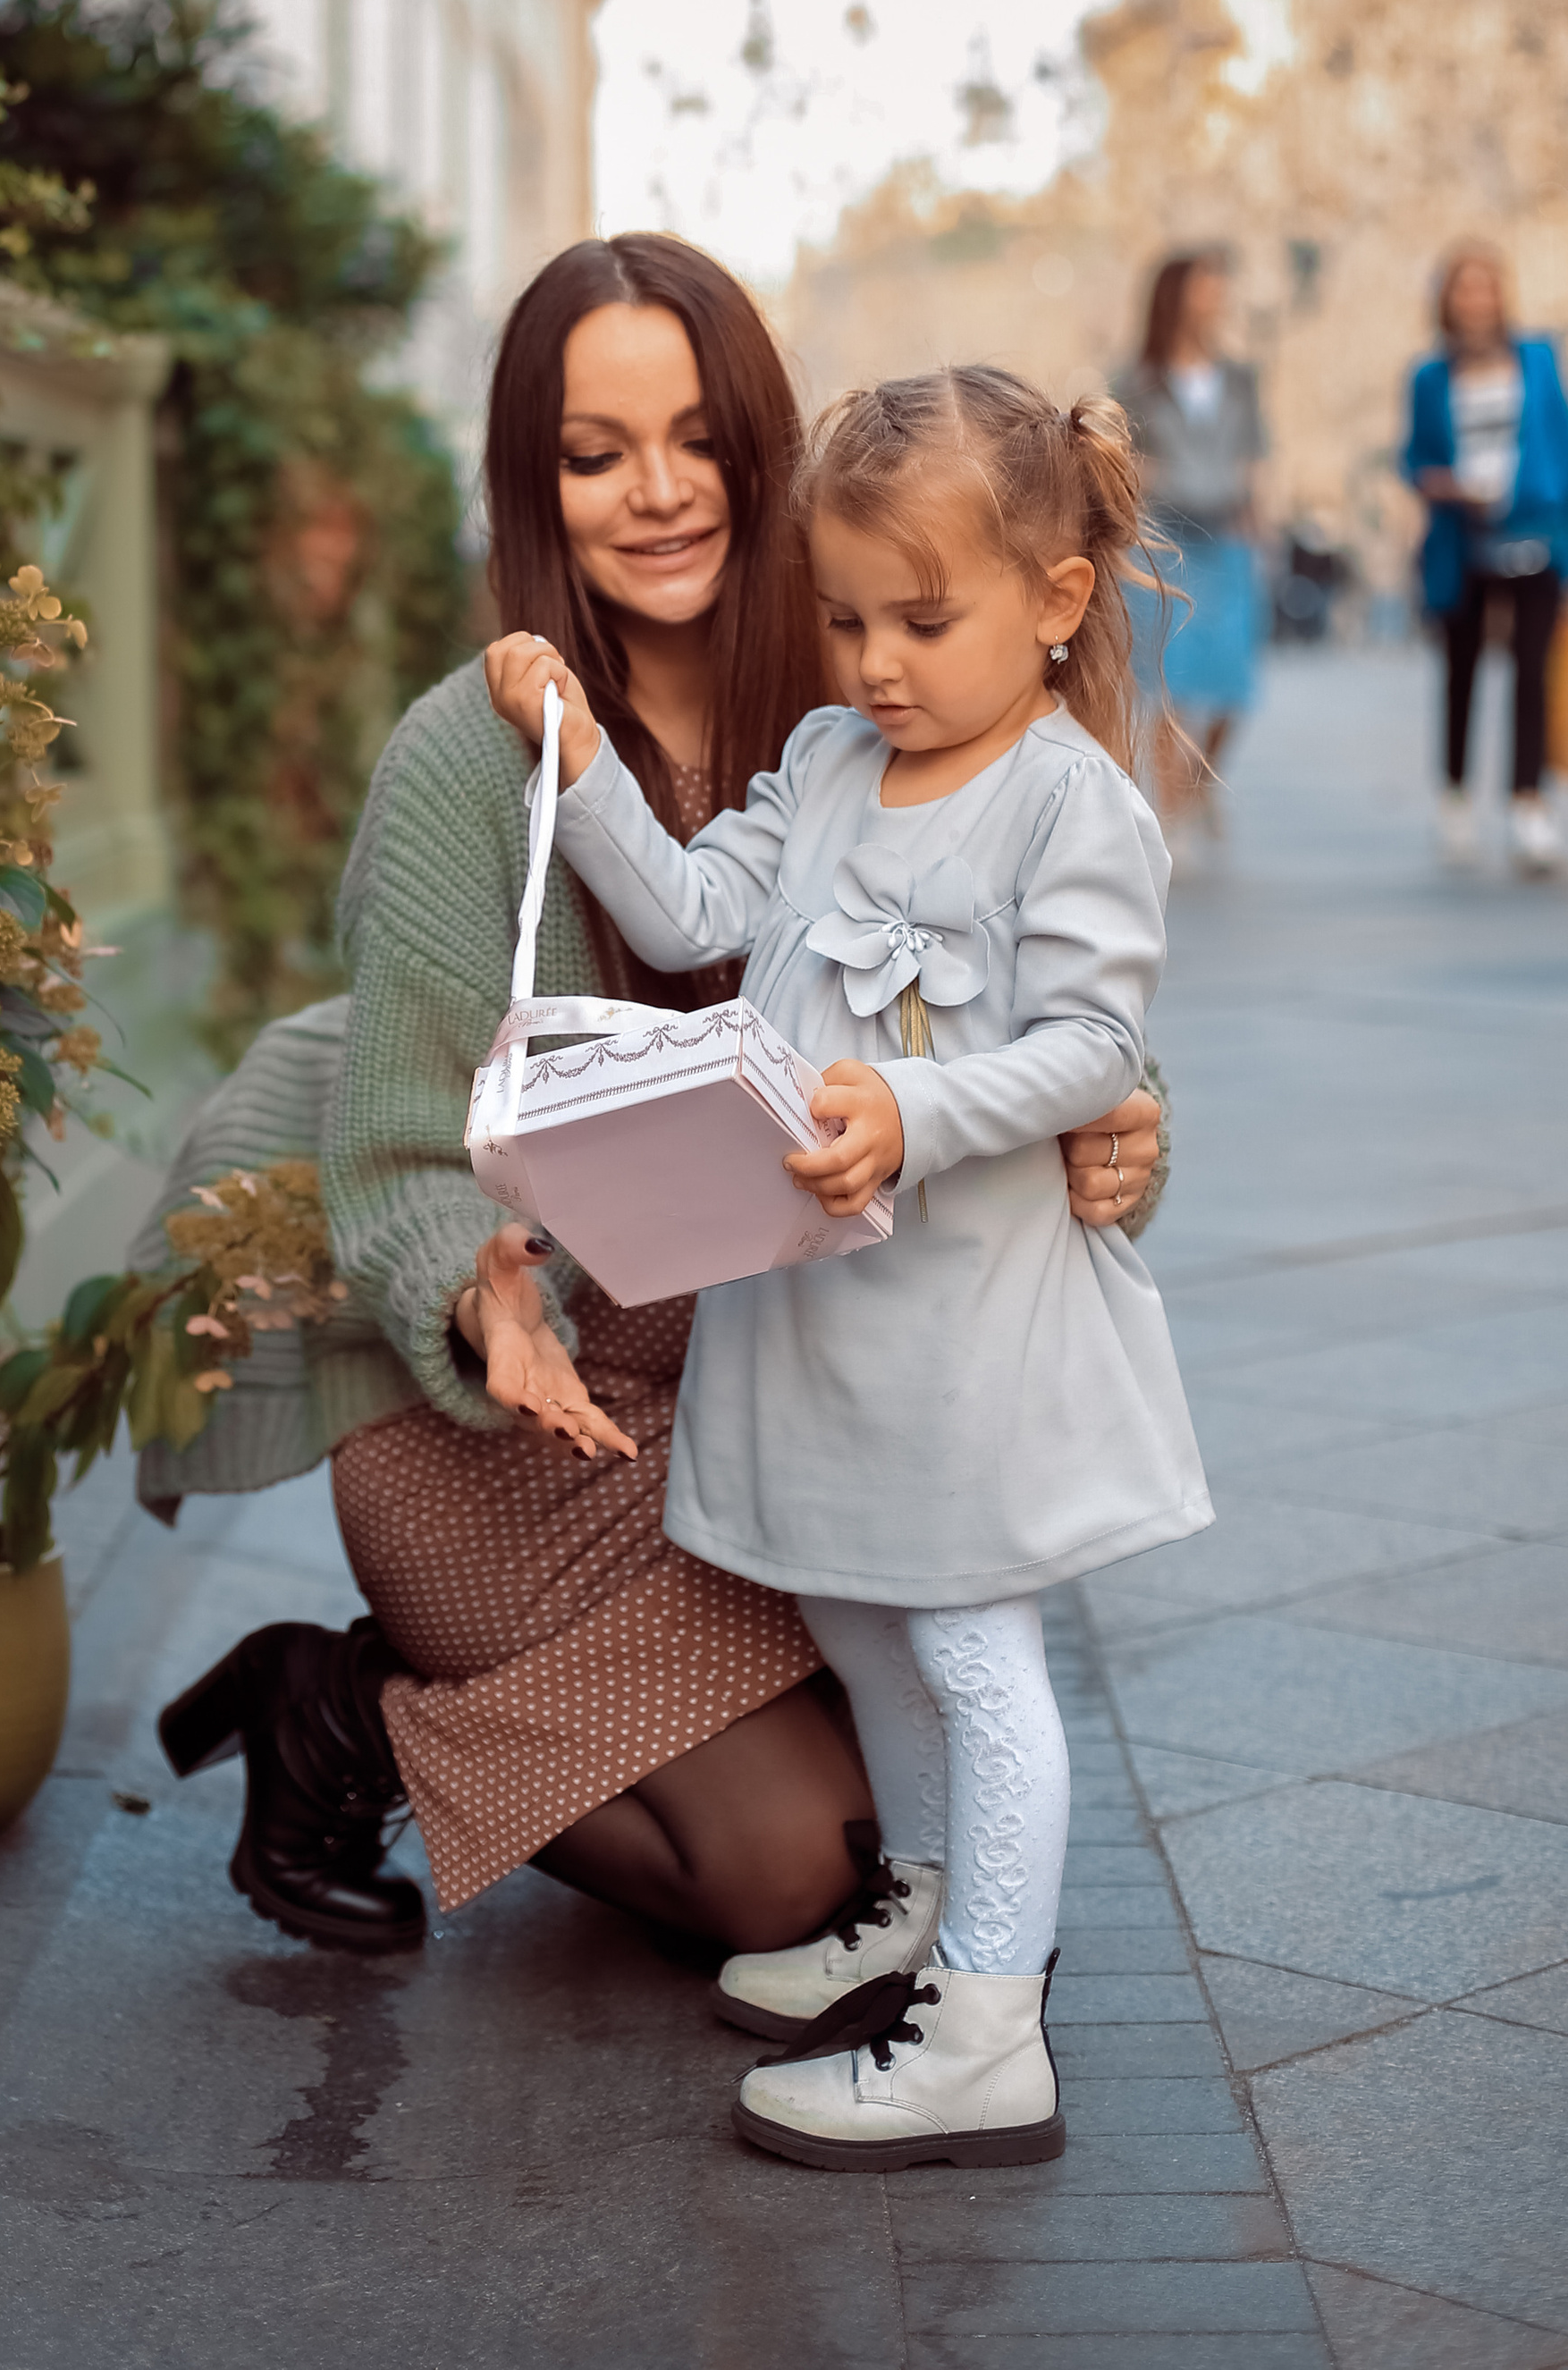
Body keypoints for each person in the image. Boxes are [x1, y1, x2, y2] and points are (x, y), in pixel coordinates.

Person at [156, 237, 1167, 1972]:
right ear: (529, 479)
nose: (655, 492)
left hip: (776, 1387)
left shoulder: (869, 698)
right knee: (791, 1870)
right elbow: (395, 1130)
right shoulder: (474, 750)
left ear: (766, 452)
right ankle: (345, 1708)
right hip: (513, 1426)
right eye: (592, 449)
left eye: (695, 437)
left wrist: (1122, 1137)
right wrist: (475, 1280)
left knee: (911, 1792)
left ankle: (417, 1717)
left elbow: (1045, 1010)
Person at [486, 365, 1208, 2174]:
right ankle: (923, 1900)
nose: (876, 662)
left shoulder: (1066, 808)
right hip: (821, 1311)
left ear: (1052, 603)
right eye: (843, 617)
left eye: (923, 618)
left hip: (968, 1326)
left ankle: (987, 2020)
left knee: (971, 1637)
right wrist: (573, 764)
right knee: (858, 1605)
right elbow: (678, 915)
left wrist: (907, 1099)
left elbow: (1087, 1053)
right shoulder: (820, 766)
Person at [1401, 247, 1568, 873]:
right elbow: (1414, 459)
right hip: (1460, 541)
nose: (1477, 301)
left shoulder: (1539, 360)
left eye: (1487, 288)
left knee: (1532, 672)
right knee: (1462, 670)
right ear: (1448, 300)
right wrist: (1446, 486)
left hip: (1537, 535)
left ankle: (1528, 806)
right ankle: (1456, 791)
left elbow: (1560, 440)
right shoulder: (1428, 377)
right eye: (1464, 290)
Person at [1110, 252, 1268, 842]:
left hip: (1229, 531)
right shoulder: (1135, 381)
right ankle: (1170, 818)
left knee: (1234, 680)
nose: (1217, 299)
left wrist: (1260, 528)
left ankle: (1203, 781)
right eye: (1206, 288)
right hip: (1164, 535)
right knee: (1170, 682)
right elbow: (1117, 455)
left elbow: (1254, 459)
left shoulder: (1240, 378)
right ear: (1175, 296)